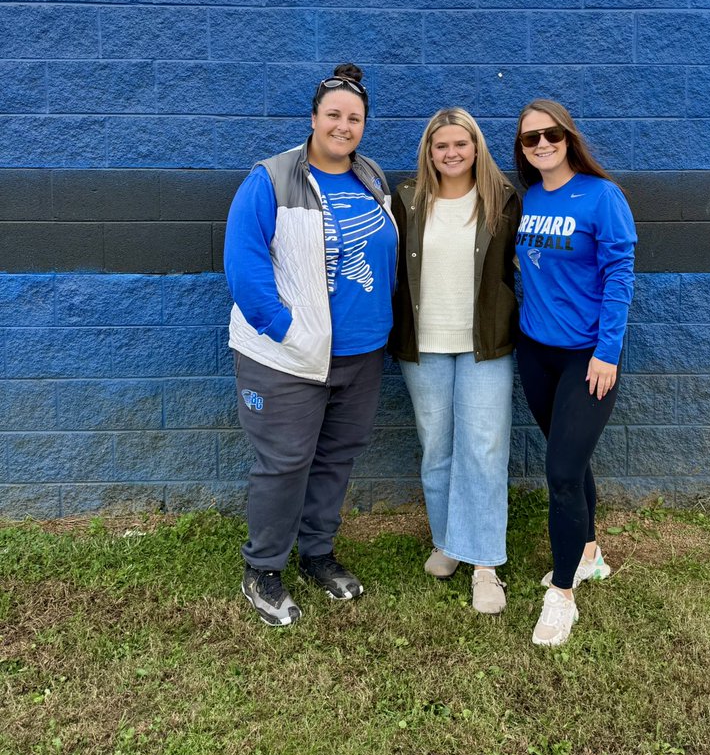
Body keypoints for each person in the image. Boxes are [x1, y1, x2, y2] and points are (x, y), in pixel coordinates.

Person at [224, 63, 397, 626]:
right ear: (315, 118)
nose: (343, 126)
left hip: (361, 355)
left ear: (364, 125)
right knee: (285, 462)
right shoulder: (271, 179)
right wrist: (286, 331)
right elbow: (245, 266)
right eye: (334, 115)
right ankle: (263, 569)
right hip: (287, 356)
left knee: (335, 458)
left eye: (354, 117)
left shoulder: (372, 178)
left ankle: (317, 554)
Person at [514, 99, 636, 646]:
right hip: (536, 352)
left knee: (561, 471)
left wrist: (607, 352)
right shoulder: (531, 198)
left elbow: (620, 276)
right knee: (572, 458)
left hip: (586, 356)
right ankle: (588, 553)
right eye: (530, 139)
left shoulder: (602, 197)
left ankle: (562, 595)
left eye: (551, 135)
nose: (541, 144)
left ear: (569, 137)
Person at [390, 108, 521, 614]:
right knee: (436, 447)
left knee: (483, 449)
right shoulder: (407, 200)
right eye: (440, 146)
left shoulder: (502, 200)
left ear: (475, 148)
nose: (450, 154)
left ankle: (485, 564)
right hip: (423, 345)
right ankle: (447, 541)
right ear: (429, 151)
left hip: (484, 344)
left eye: (459, 145)